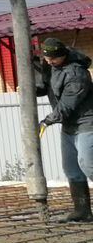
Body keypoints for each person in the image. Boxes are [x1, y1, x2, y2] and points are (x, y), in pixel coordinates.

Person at [37, 37, 93, 224]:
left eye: (53, 59)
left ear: (63, 55)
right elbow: (46, 86)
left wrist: (46, 121)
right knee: (71, 168)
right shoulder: (50, 64)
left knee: (88, 165)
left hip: (86, 123)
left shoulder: (77, 74)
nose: (49, 62)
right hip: (68, 127)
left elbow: (67, 106)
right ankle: (82, 211)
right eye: (47, 58)